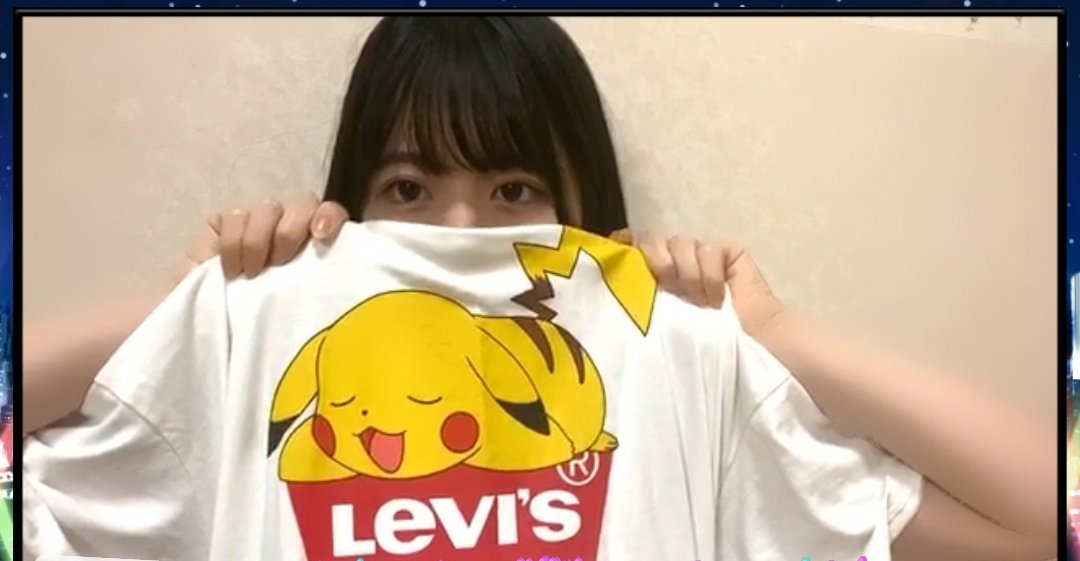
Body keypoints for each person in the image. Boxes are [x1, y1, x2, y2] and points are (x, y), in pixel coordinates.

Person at [24, 16, 1053, 561]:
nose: (461, 232)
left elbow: (1043, 521)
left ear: (581, 203)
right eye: (408, 188)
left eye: (515, 188)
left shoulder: (674, 354)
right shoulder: (252, 336)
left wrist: (776, 329)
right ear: (354, 198)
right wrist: (185, 305)